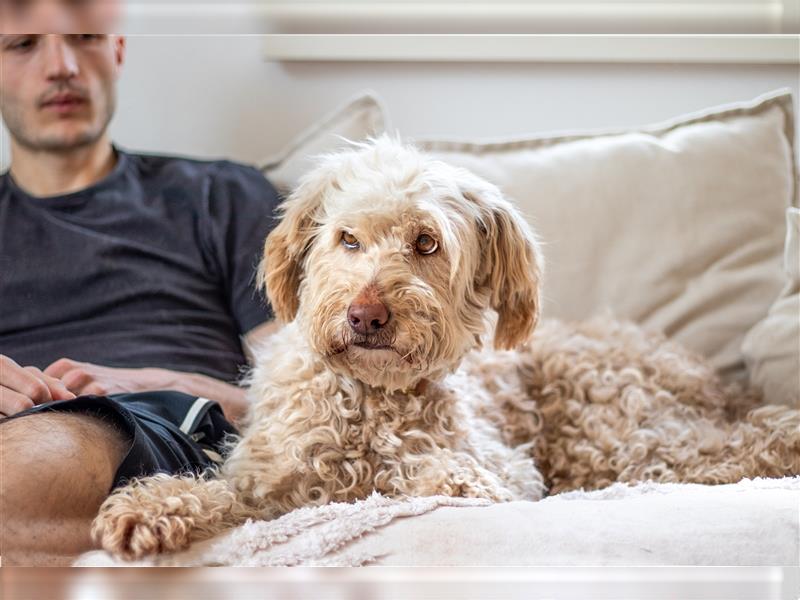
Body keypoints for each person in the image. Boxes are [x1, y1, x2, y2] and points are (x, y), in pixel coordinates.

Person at [0, 32, 281, 565]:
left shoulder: (219, 194)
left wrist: (168, 384)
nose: (61, 66)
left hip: (156, 427)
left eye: (84, 39)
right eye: (23, 44)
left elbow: (315, 398)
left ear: (118, 51)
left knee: (25, 474)